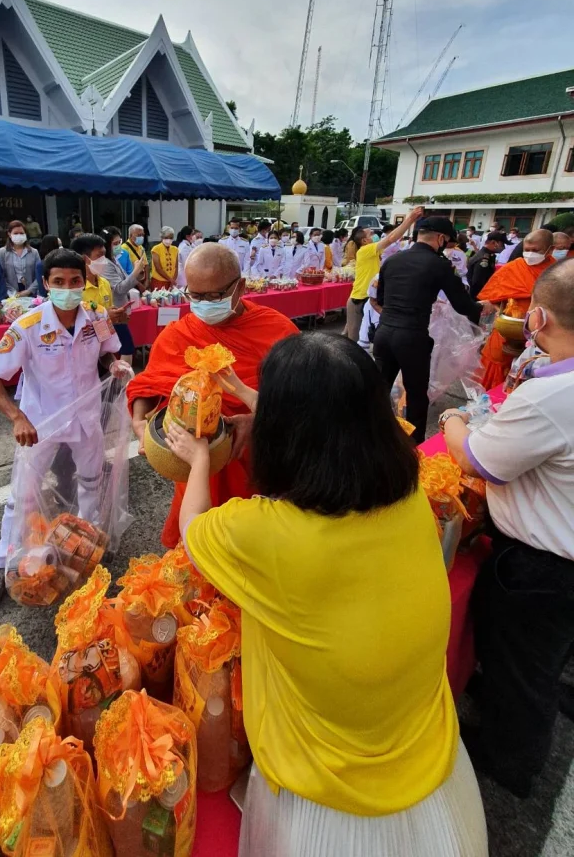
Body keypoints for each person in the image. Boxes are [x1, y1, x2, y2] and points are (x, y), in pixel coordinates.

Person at [166, 333, 488, 857]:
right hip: (420, 740)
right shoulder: (404, 491)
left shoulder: (262, 532)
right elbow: (332, 417)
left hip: (323, 779)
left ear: (280, 432)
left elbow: (194, 531)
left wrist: (199, 459)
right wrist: (250, 394)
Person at [441, 259, 574, 799]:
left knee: (523, 667)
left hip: (545, 565)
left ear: (536, 317)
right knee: (545, 656)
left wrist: (453, 422)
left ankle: (509, 762)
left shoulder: (551, 397)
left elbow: (478, 461)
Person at [0, 248, 131, 609]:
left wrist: (114, 367)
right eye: (58, 282)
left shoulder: (97, 317)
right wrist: (17, 417)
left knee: (91, 486)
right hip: (40, 423)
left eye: (75, 281)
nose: (67, 288)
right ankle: (3, 565)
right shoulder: (26, 326)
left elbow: (110, 352)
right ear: (45, 284)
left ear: (85, 281)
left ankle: (83, 552)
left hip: (87, 418)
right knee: (23, 496)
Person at [127, 243, 298, 546]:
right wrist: (140, 421)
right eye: (195, 296)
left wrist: (256, 420)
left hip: (258, 459)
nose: (204, 304)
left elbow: (303, 402)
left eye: (215, 296)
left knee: (252, 544)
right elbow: (150, 383)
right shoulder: (179, 334)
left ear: (240, 287)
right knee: (197, 542)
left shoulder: (277, 329)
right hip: (196, 461)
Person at [373, 216, 489, 442]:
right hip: (412, 337)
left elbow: (381, 298)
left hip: (384, 332)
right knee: (416, 394)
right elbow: (462, 304)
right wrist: (480, 308)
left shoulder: (393, 260)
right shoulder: (439, 265)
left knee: (378, 389)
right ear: (441, 238)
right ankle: (415, 446)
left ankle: (370, 435)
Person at [477, 229, 555, 389]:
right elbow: (493, 298)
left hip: (541, 332)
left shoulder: (557, 272)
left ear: (550, 250)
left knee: (531, 372)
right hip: (507, 328)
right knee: (496, 361)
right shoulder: (513, 268)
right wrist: (499, 309)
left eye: (536, 251)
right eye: (527, 250)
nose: (530, 254)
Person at [344, 209, 422, 343]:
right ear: (364, 240)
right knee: (354, 342)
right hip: (359, 300)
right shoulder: (365, 250)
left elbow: (392, 239)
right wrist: (410, 220)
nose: (374, 235)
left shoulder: (372, 251)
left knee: (363, 338)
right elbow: (391, 238)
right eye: (370, 234)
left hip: (367, 298)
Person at [98, 226, 148, 364]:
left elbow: (125, 279)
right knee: (125, 347)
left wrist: (138, 273)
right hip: (113, 311)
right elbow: (119, 288)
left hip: (119, 310)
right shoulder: (105, 264)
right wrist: (135, 272)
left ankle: (121, 379)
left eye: (120, 242)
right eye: (115, 243)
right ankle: (124, 380)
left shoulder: (114, 259)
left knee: (121, 347)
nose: (119, 246)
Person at [0, 221, 40, 297]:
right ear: (9, 234)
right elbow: (0, 276)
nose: (19, 235)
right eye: (16, 233)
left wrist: (29, 291)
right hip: (10, 294)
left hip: (31, 293)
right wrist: (13, 292)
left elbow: (39, 275)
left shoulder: (34, 252)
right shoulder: (2, 252)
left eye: (21, 233)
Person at [466, 232, 507, 300]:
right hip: (477, 298)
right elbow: (477, 283)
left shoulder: (487, 255)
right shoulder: (483, 259)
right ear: (493, 242)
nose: (503, 247)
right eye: (502, 244)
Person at [120, 224, 149, 290]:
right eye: (139, 235)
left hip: (142, 281)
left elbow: (146, 265)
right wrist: (138, 284)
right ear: (130, 236)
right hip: (132, 284)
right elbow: (123, 272)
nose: (141, 237)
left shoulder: (141, 247)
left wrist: (147, 280)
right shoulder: (123, 249)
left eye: (143, 235)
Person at [358, 275, 381, 352]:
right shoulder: (378, 278)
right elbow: (373, 301)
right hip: (374, 310)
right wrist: (386, 314)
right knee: (364, 345)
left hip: (392, 313)